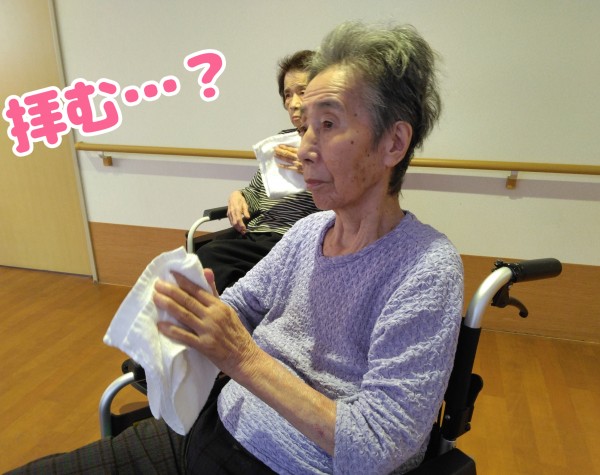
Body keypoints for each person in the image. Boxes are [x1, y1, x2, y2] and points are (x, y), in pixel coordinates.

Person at [8, 21, 463, 475]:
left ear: (393, 143)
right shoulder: (308, 233)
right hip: (208, 428)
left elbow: (378, 447)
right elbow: (239, 305)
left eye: (327, 124)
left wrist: (242, 357)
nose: (306, 148)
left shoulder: (426, 269)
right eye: (305, 126)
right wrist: (201, 315)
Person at [197, 50, 319, 294]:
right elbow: (256, 193)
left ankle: (231, 312)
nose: (293, 103)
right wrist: (238, 195)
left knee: (212, 257)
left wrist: (315, 170)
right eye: (287, 94)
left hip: (296, 240)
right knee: (199, 257)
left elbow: (345, 204)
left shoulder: (332, 146)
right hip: (258, 233)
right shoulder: (280, 142)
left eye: (302, 92)